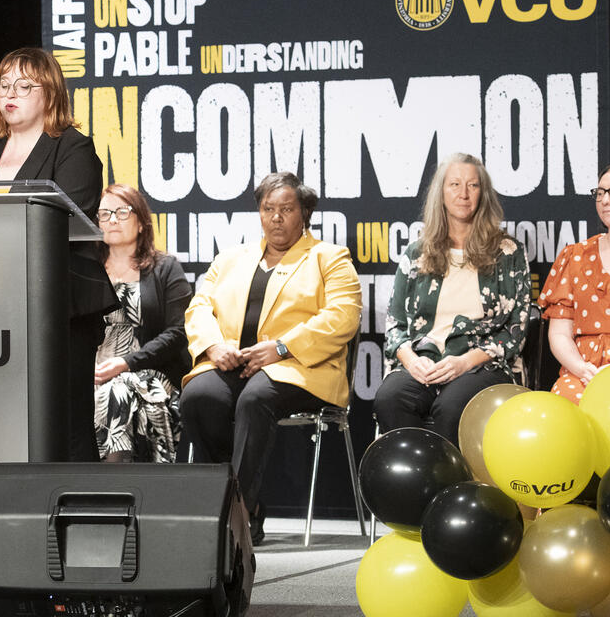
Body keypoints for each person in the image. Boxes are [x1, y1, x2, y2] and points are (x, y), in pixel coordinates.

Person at [0, 47, 119, 461]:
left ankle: (81, 515)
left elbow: (65, 218)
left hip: (57, 304)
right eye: (4, 84)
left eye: (24, 86)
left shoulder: (72, 148)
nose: (11, 93)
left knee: (65, 425)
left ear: (50, 93)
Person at [180, 171, 361, 545]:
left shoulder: (329, 258)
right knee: (199, 397)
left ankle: (237, 514)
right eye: (268, 209)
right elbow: (199, 307)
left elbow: (343, 316)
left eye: (287, 209)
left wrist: (280, 347)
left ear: (304, 213)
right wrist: (215, 347)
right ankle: (234, 503)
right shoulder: (231, 258)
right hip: (233, 361)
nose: (276, 217)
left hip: (298, 367)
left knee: (256, 398)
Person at [375, 153, 530, 445]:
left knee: (452, 407)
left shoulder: (508, 252)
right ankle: (414, 486)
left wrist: (464, 363)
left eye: (473, 186)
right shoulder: (417, 253)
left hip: (480, 364)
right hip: (426, 360)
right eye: (455, 184)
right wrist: (411, 361)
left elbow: (515, 331)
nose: (463, 194)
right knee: (391, 398)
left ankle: (452, 487)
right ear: (441, 194)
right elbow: (395, 326)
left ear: (483, 194)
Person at [93, 183, 192, 462]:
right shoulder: (85, 269)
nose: (112, 219)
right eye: (104, 213)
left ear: (141, 223)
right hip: (92, 373)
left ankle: (116, 484)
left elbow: (178, 332)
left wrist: (127, 363)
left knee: (117, 389)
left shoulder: (164, 268)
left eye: (122, 212)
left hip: (149, 371)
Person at [539, 160, 610, 403]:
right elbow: (560, 333)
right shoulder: (575, 255)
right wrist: (582, 369)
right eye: (600, 193)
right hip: (584, 372)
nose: (606, 200)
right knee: (566, 404)